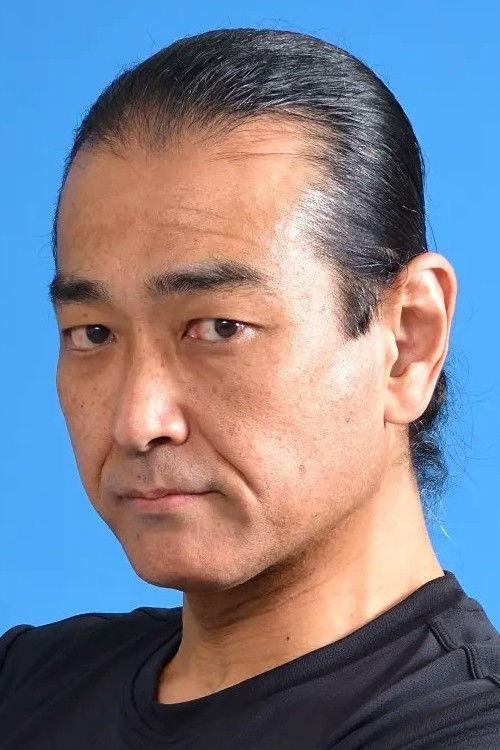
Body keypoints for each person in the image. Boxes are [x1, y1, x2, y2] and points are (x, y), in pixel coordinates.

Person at [1, 27, 498, 750]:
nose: (137, 421)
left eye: (220, 327)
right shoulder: (25, 685)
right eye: (94, 333)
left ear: (408, 341)